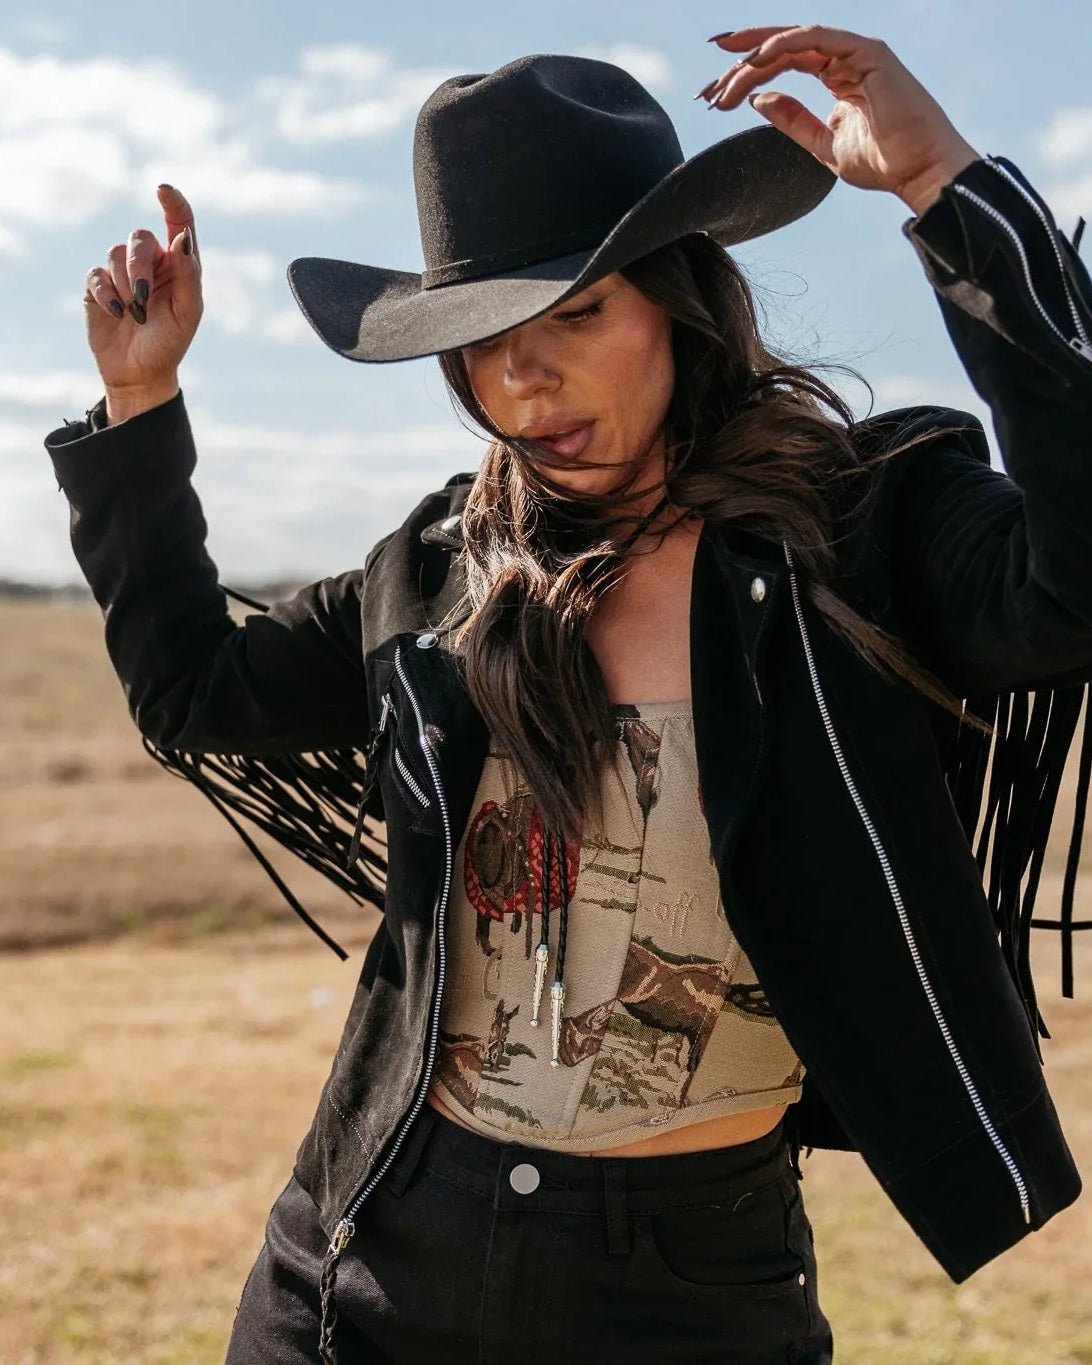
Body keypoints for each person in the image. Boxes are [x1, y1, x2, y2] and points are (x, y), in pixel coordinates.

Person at [44, 24, 1092, 1365]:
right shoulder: (438, 575)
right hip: (365, 1257)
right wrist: (140, 405)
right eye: (482, 339)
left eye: (577, 314)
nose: (520, 381)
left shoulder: (862, 534)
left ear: (682, 301)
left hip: (690, 1287)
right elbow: (195, 692)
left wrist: (946, 184)